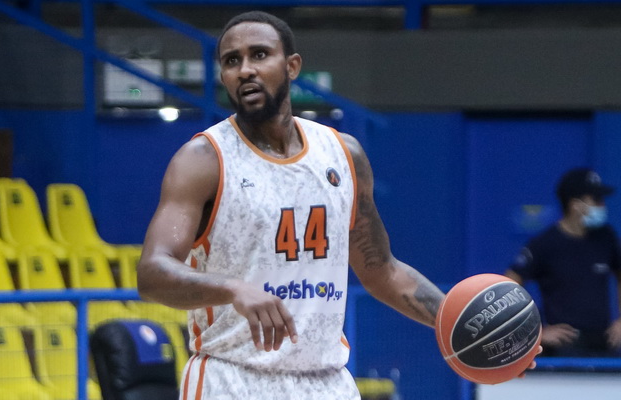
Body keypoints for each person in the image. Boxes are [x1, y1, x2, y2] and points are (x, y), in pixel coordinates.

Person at [138, 11, 537, 399]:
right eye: (231, 61)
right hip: (232, 379)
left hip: (326, 382)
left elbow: (382, 271)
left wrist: (471, 326)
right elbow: (153, 273)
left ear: (292, 66)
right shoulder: (203, 160)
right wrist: (233, 289)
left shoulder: (343, 154)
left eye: (259, 55)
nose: (245, 70)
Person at [506, 167, 621, 357]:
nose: (602, 206)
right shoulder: (544, 244)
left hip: (604, 342)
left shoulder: (606, 237)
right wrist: (536, 331)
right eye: (596, 200)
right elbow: (508, 286)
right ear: (575, 204)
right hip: (564, 347)